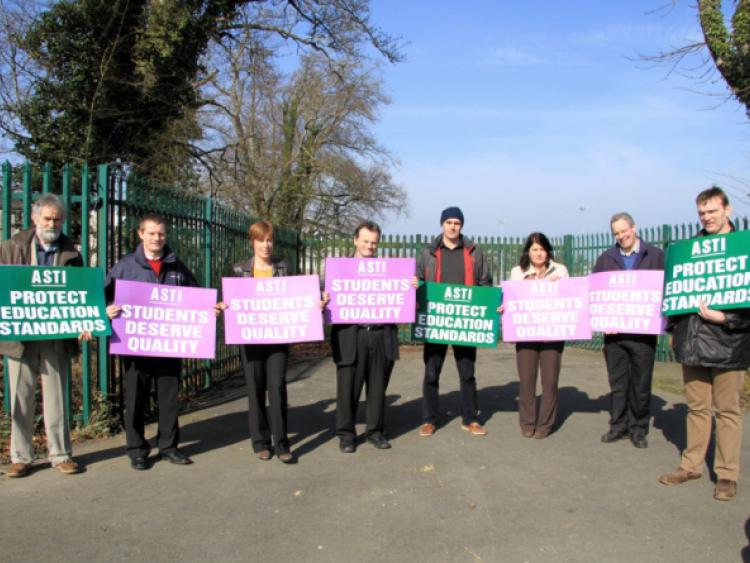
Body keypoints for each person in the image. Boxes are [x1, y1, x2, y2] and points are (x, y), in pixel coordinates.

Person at [658, 187, 750, 502]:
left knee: (727, 411)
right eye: (702, 212)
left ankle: (726, 474)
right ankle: (691, 465)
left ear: (728, 210)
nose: (707, 217)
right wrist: (673, 328)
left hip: (729, 344)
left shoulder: (743, 250)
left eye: (712, 210)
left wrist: (724, 318)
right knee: (697, 407)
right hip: (693, 341)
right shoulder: (689, 250)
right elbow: (674, 294)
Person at [105, 213, 214, 470]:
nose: (157, 238)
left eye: (161, 234)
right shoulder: (125, 266)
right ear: (141, 234)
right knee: (135, 398)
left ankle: (169, 447)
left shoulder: (176, 265)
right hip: (135, 344)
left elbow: (196, 296)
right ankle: (137, 449)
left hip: (169, 345)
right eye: (152, 233)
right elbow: (103, 295)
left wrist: (211, 308)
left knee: (168, 398)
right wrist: (106, 309)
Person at [0, 194, 86, 477]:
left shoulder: (72, 254)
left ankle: (60, 454)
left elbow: (83, 295)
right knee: (20, 398)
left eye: (57, 219)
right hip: (19, 336)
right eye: (47, 218)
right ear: (35, 218)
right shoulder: (11, 248)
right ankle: (21, 456)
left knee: (56, 397)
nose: (52, 223)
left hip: (56, 336)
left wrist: (85, 321)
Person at [416, 206, 492, 437]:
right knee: (431, 374)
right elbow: (418, 282)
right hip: (435, 321)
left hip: (465, 323)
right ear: (442, 224)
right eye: (448, 222)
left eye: (456, 223)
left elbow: (485, 283)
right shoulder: (427, 253)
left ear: (461, 226)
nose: (452, 226)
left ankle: (470, 419)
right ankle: (429, 420)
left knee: (467, 373)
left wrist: (486, 303)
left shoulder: (474, 252)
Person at [326, 221, 400, 453]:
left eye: (374, 242)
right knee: (348, 388)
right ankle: (346, 434)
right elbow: (324, 297)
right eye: (365, 241)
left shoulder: (388, 272)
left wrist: (410, 286)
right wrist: (324, 297)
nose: (369, 246)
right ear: (355, 240)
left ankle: (375, 432)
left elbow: (402, 296)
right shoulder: (339, 269)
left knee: (378, 388)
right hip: (351, 335)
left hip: (380, 334)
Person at [593, 213, 664, 448]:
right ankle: (618, 426)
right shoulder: (605, 259)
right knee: (618, 383)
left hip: (643, 335)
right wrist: (602, 320)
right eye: (616, 233)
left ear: (634, 228)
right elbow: (595, 293)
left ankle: (638, 428)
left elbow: (665, 290)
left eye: (624, 231)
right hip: (614, 336)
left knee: (641, 384)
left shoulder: (655, 256)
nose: (621, 236)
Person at [230, 221, 295, 463]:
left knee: (277, 388)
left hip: (278, 338)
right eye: (261, 240)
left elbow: (296, 296)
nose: (266, 245)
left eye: (269, 240)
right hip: (250, 338)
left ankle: (281, 443)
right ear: (252, 242)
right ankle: (260, 442)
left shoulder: (284, 267)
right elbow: (229, 297)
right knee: (255, 389)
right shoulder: (239, 269)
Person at [509, 232, 569, 439]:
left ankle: (545, 424)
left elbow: (570, 298)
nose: (538, 253)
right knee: (526, 380)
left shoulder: (560, 270)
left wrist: (557, 285)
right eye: (534, 249)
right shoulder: (517, 272)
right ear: (528, 251)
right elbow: (511, 299)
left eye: (542, 249)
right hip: (526, 333)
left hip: (552, 334)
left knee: (550, 380)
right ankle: (527, 422)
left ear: (548, 251)